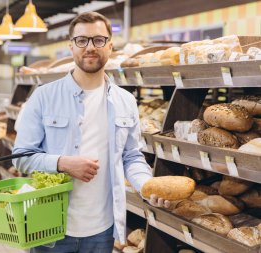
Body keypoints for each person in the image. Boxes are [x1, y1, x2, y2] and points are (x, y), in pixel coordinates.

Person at [13, 12, 170, 253]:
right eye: (82, 40)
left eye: (98, 40)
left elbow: (132, 156)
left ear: (110, 45)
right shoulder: (43, 97)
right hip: (50, 226)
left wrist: (147, 186)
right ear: (71, 46)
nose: (90, 47)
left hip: (102, 229)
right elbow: (21, 157)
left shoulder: (125, 101)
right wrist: (62, 163)